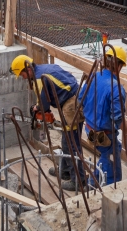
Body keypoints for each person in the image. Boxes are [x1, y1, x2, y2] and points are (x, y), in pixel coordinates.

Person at [10, 55, 84, 191]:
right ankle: (66, 171)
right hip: (72, 99)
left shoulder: (39, 78)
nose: (23, 78)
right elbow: (46, 95)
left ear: (28, 69)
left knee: (72, 144)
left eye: (22, 74)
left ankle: (79, 181)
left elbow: (44, 106)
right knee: (66, 141)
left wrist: (37, 108)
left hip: (71, 105)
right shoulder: (44, 68)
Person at [78, 44, 127, 186]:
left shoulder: (94, 76)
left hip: (89, 129)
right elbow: (117, 119)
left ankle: (94, 178)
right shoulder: (116, 88)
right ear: (119, 66)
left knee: (113, 150)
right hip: (103, 136)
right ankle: (102, 185)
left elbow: (80, 99)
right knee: (113, 163)